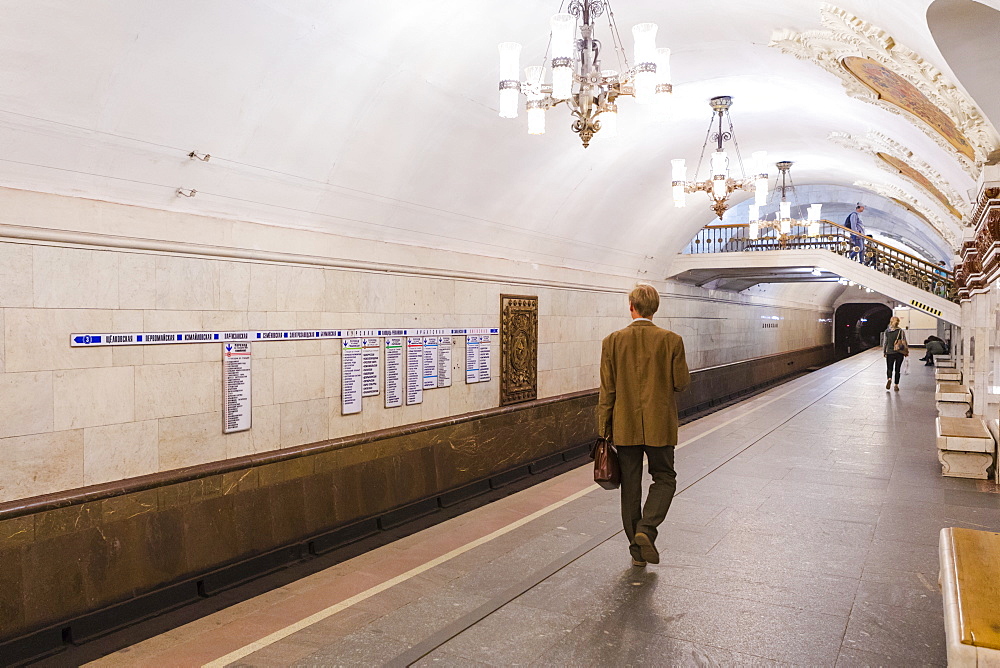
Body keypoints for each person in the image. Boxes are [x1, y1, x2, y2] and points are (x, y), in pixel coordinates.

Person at [597, 284, 690, 567]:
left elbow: (607, 390)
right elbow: (681, 383)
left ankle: (637, 554)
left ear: (631, 307)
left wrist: (603, 430)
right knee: (664, 478)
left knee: (631, 488)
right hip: (660, 425)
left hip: (624, 426)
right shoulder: (672, 340)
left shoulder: (611, 341)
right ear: (655, 309)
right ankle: (646, 530)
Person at [882, 316, 906, 391]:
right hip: (899, 352)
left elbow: (885, 342)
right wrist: (906, 351)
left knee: (889, 368)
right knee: (897, 369)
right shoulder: (900, 331)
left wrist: (884, 351)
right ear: (898, 322)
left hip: (890, 352)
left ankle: (889, 379)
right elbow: (904, 341)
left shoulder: (887, 331)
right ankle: (896, 385)